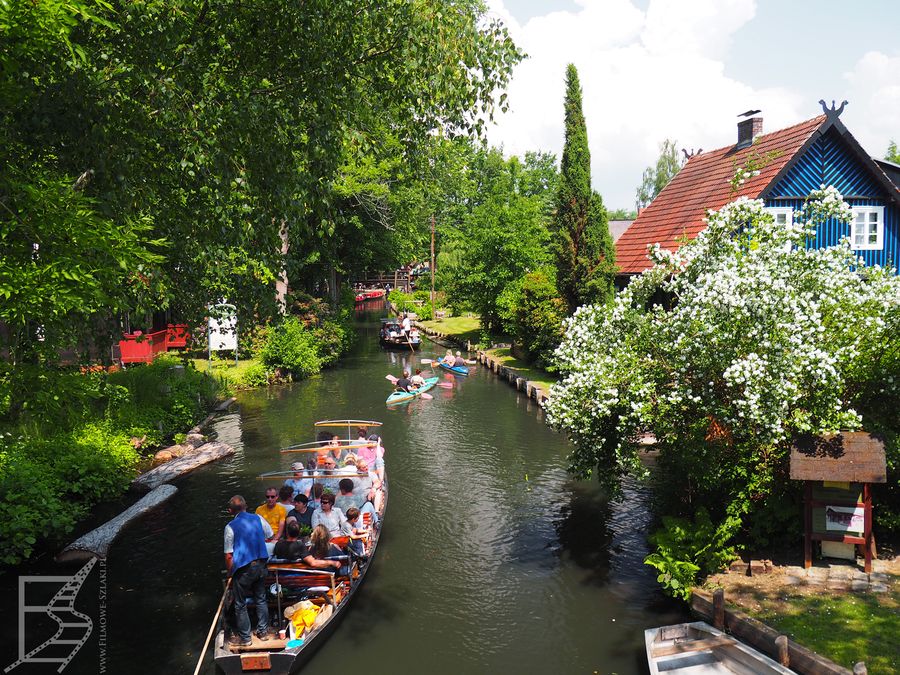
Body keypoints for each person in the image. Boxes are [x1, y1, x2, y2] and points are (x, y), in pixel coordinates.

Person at [224, 495, 271, 646]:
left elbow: (229, 555)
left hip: (244, 570)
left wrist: (230, 572)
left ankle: (246, 638)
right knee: (261, 598)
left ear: (230, 511)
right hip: (261, 565)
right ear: (246, 506)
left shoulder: (230, 527)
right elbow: (269, 535)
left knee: (240, 604)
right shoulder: (258, 518)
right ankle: (263, 633)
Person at [274, 521, 342, 571]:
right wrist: (332, 562)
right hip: (297, 578)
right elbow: (313, 563)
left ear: (287, 531)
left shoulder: (278, 544)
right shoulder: (300, 546)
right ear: (299, 532)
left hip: (280, 577)